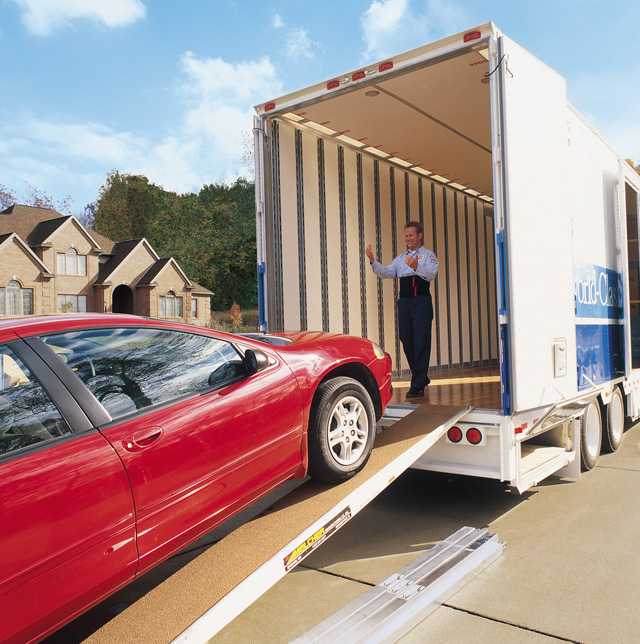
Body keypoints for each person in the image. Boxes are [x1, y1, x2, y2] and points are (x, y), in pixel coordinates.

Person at [365, 221, 438, 398]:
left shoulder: (429, 255)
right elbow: (387, 273)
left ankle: (418, 385)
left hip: (421, 301)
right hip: (405, 302)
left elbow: (431, 274)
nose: (408, 239)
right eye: (406, 235)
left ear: (420, 235)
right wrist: (373, 260)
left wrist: (416, 266)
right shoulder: (399, 258)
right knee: (406, 339)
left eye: (411, 235)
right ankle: (421, 376)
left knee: (421, 341)